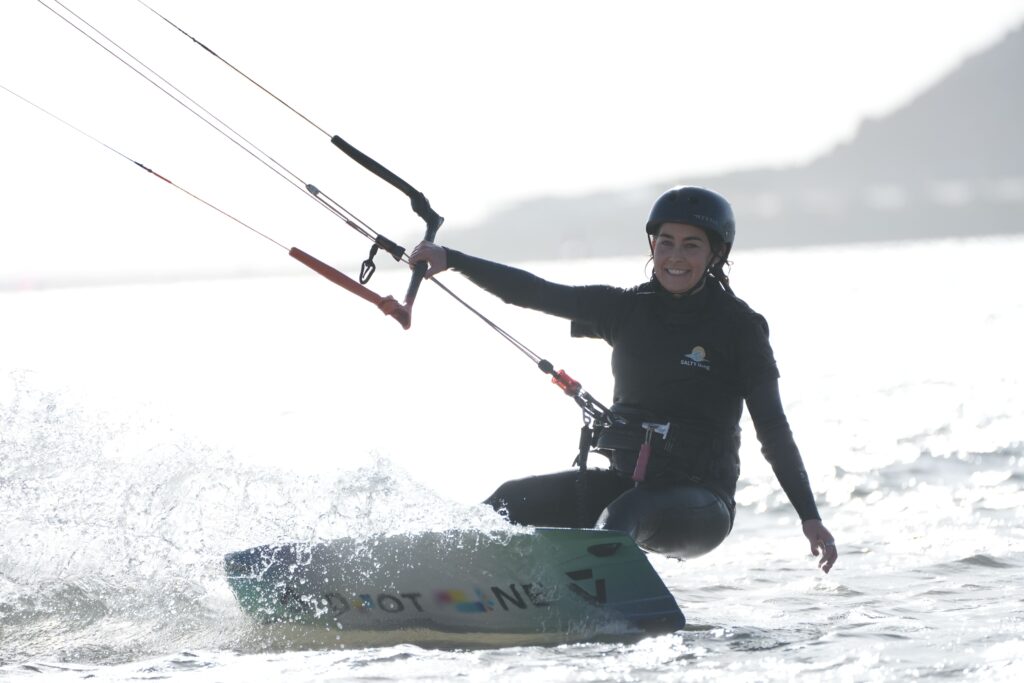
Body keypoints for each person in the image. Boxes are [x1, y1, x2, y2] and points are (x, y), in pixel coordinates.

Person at [409, 186, 838, 573]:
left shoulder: (739, 327)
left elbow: (774, 429)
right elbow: (536, 292)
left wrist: (808, 515)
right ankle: (444, 583)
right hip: (625, 484)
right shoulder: (626, 310)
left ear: (716, 254)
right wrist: (453, 260)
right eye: (665, 242)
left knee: (621, 518)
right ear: (652, 244)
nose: (674, 257)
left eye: (691, 246)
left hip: (700, 502)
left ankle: (595, 608)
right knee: (507, 501)